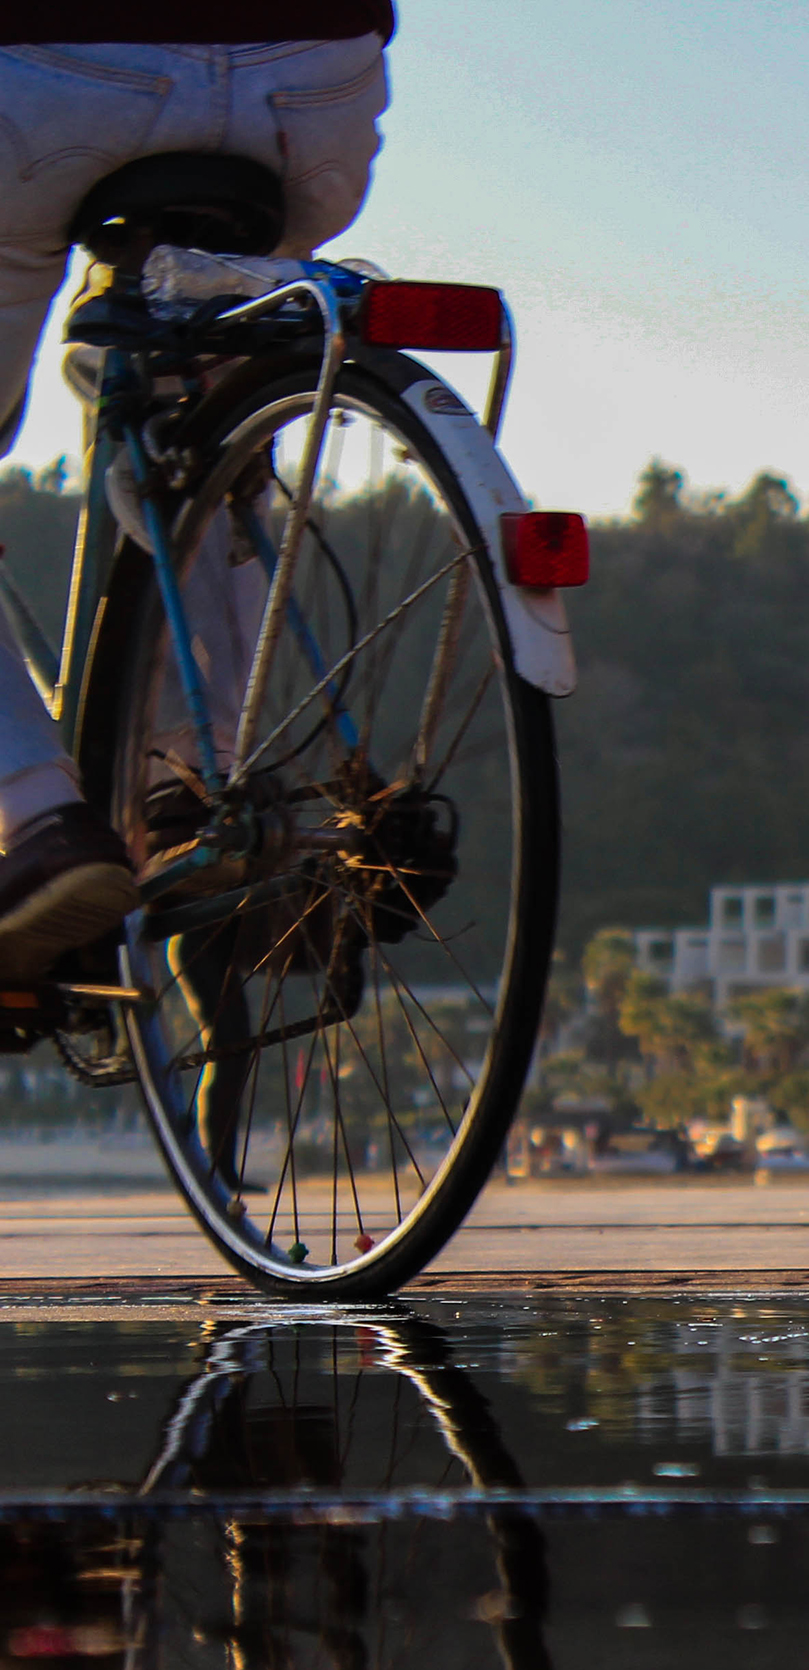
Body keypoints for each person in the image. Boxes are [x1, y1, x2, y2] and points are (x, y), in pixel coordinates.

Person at [0, 20, 399, 980]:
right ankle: (191, 798)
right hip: (315, 88)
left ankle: (34, 822)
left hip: (54, 72)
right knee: (182, 396)